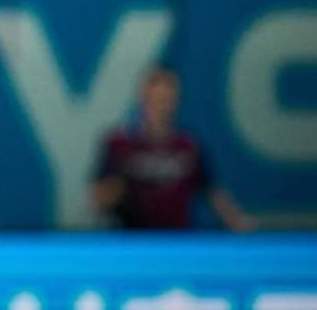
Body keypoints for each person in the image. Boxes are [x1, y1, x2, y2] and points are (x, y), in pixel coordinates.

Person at [91, 66, 253, 231]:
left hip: (176, 239)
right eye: (155, 99)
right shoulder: (119, 144)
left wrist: (239, 223)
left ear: (176, 101)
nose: (161, 106)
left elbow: (213, 192)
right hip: (133, 239)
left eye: (166, 99)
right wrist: (118, 187)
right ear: (142, 98)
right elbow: (97, 201)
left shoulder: (188, 146)